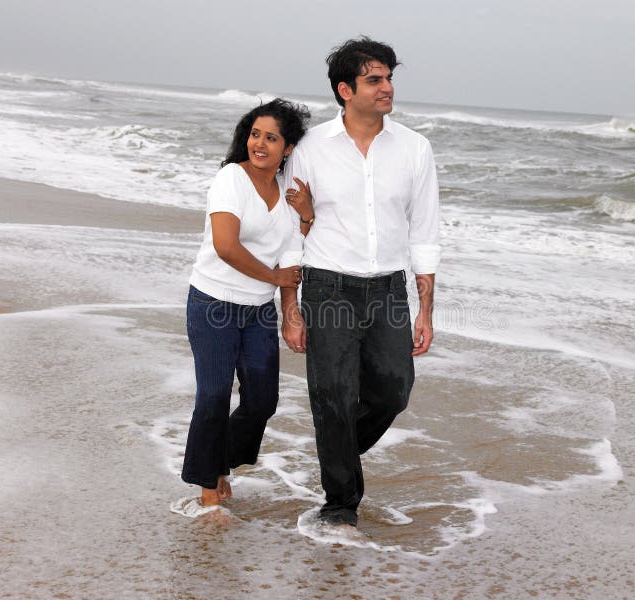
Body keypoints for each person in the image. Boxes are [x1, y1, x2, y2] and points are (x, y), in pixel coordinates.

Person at [281, 37, 441, 529]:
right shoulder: (309, 149)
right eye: (375, 80)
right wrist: (291, 309)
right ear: (345, 90)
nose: (387, 87)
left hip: (389, 290)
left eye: (389, 78)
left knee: (394, 392)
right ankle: (340, 505)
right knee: (332, 395)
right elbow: (290, 231)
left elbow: (425, 231)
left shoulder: (415, 148)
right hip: (327, 287)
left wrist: (425, 308)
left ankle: (337, 456)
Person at [181, 98, 311, 508]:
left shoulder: (289, 198)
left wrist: (291, 314)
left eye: (271, 138)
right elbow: (225, 246)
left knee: (261, 401)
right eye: (255, 134)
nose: (260, 144)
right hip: (213, 303)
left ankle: (219, 461)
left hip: (257, 312)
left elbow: (292, 260)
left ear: (287, 148)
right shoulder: (230, 180)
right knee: (214, 396)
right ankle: (208, 492)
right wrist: (273, 278)